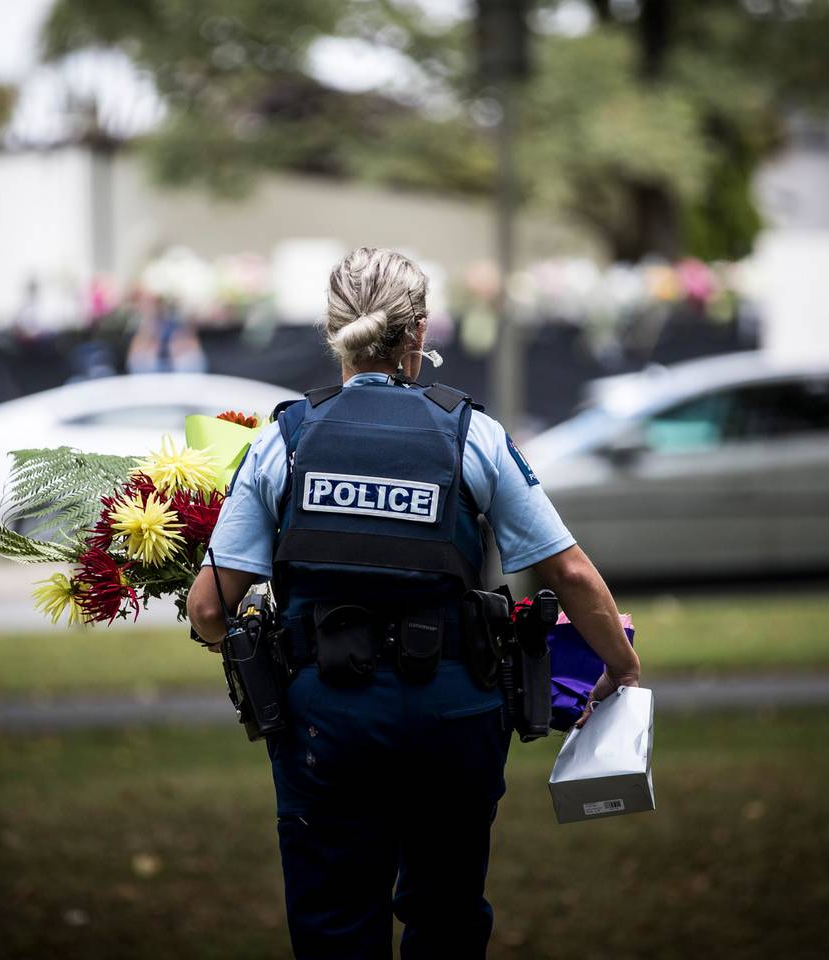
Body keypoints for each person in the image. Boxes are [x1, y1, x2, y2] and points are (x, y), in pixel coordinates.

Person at [187, 247, 640, 959]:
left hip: (325, 726)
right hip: (452, 716)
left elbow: (210, 609)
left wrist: (242, 639)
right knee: (447, 922)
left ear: (331, 328)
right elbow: (573, 574)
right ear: (419, 332)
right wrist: (621, 665)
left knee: (335, 925)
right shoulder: (473, 435)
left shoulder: (285, 440)